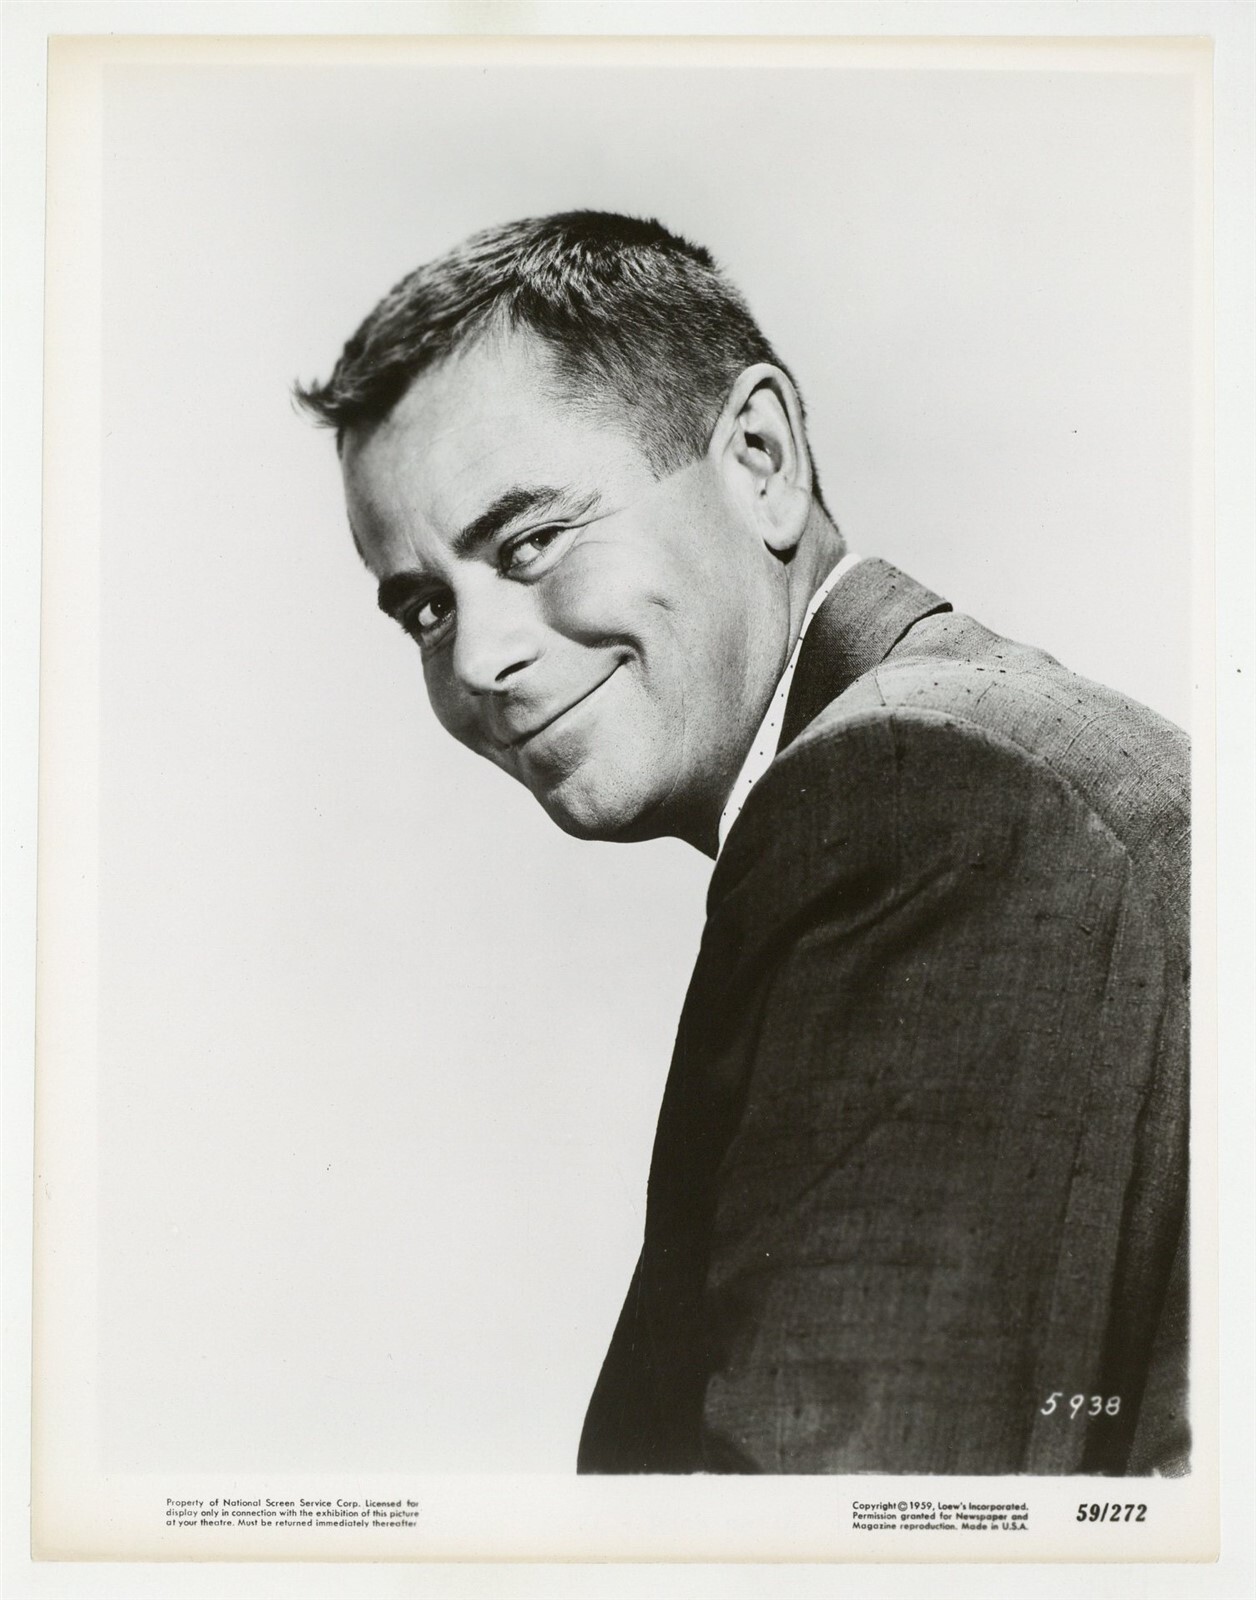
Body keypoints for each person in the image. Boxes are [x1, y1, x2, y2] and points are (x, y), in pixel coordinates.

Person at [297, 210, 1189, 1476]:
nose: (480, 657)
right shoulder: (965, 751)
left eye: (531, 542)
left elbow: (831, 1527)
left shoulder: (922, 791)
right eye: (426, 609)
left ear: (759, 460)